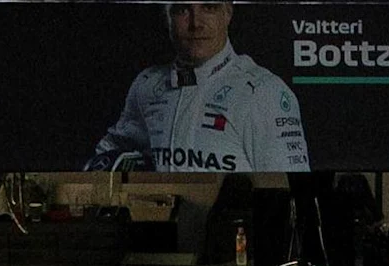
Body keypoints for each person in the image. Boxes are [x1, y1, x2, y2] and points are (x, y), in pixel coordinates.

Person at [88, 1, 306, 171]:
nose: (196, 24)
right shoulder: (148, 84)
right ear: (168, 17)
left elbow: (288, 188)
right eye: (183, 9)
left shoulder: (265, 92)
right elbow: (108, 153)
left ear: (227, 12)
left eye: (209, 8)